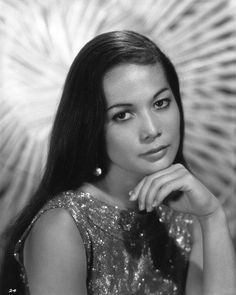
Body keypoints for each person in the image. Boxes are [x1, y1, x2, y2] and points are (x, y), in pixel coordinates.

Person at [0, 30, 235, 295]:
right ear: (92, 126)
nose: (151, 129)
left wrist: (213, 216)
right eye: (123, 115)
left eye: (160, 103)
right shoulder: (64, 226)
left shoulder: (190, 215)